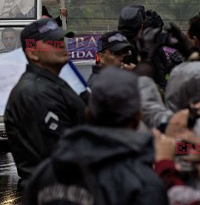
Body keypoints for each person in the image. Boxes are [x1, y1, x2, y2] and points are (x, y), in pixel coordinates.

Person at [24, 67, 168, 205]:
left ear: (88, 114)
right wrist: (166, 166)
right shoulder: (142, 182)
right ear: (138, 117)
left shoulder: (45, 173)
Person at [4, 18, 86, 188]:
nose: (62, 45)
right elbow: (62, 150)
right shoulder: (36, 93)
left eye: (62, 40)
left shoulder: (50, 83)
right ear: (32, 52)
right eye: (53, 42)